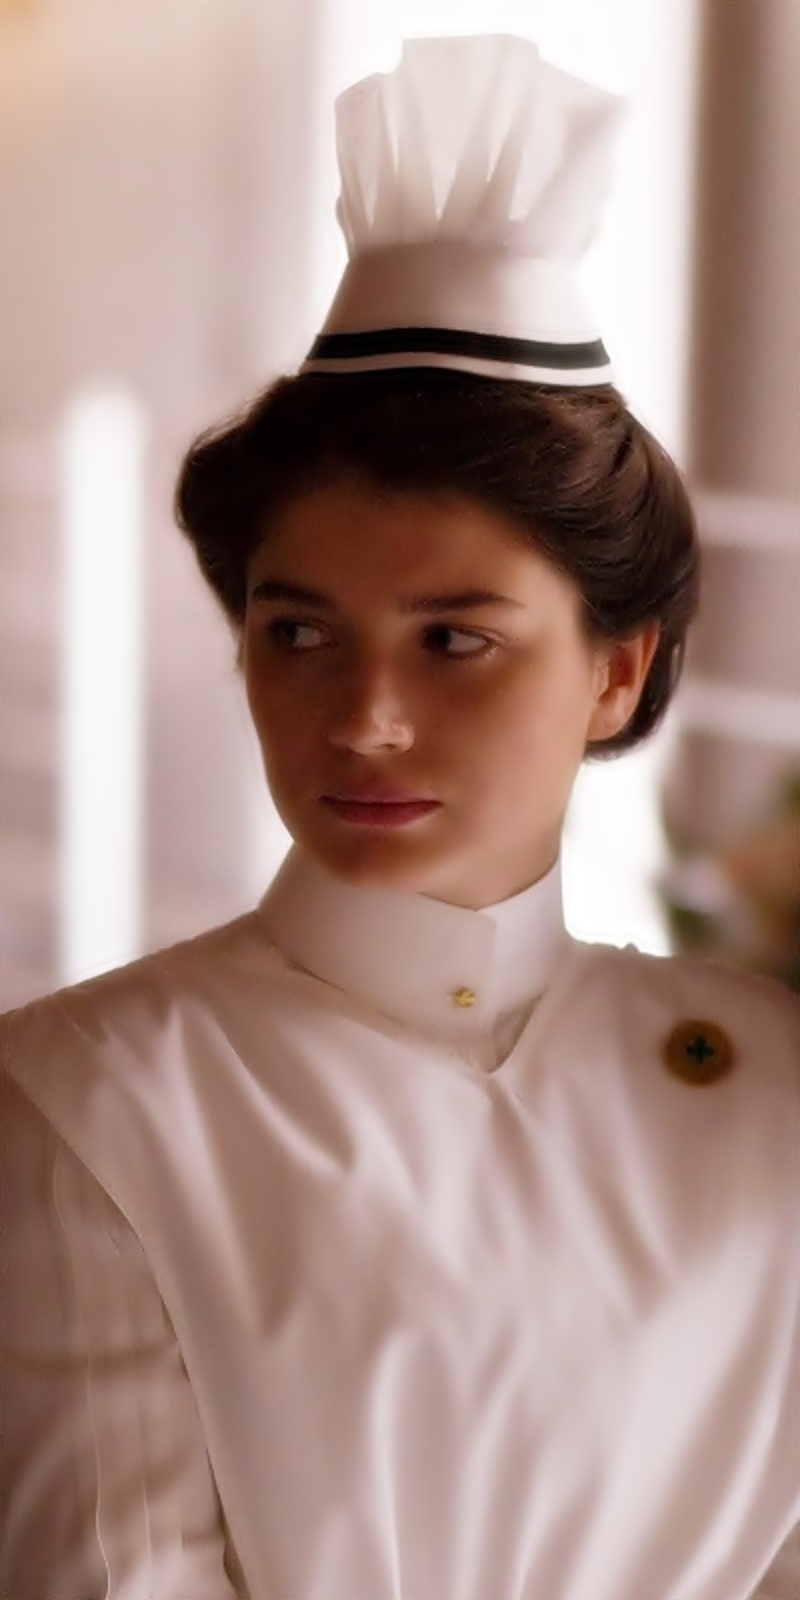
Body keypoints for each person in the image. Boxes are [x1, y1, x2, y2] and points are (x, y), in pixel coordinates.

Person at [1, 33, 798, 1600]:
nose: (363, 716)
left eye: (454, 641)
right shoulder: (95, 1097)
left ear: (617, 669)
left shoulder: (772, 1084)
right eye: (299, 631)